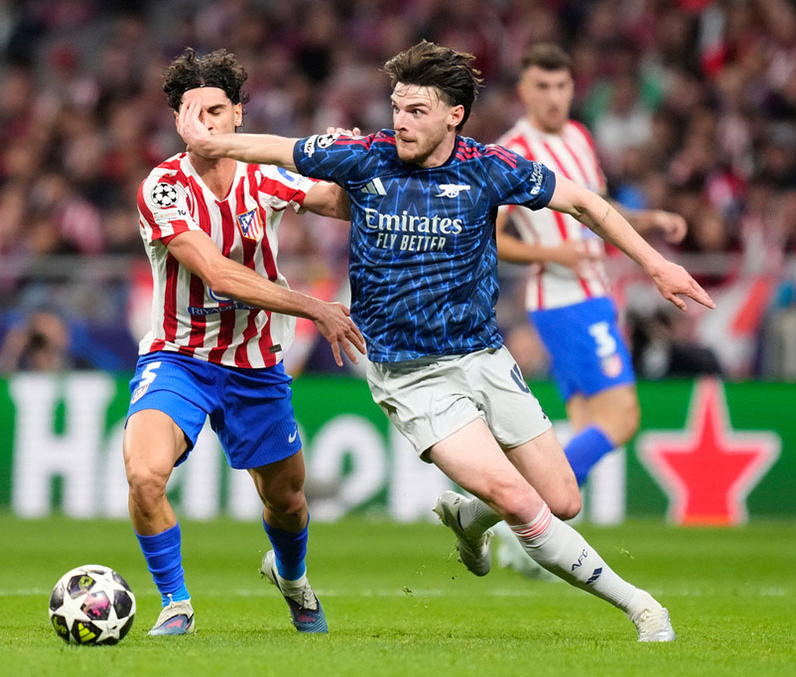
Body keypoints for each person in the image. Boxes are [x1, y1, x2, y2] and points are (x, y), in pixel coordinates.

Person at [177, 40, 714, 642]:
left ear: (454, 115)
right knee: (516, 494)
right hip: (410, 374)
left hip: (483, 356)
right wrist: (212, 142)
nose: (401, 123)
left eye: (417, 111)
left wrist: (655, 264)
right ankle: (642, 607)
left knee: (563, 498)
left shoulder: (489, 168)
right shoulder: (364, 157)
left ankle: (466, 515)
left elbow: (585, 203)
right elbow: (278, 148)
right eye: (397, 108)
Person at [124, 47, 365, 637]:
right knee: (144, 474)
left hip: (254, 364)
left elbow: (341, 202)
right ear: (177, 121)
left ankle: (293, 579)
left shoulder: (266, 175)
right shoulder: (163, 188)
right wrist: (314, 306)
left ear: (239, 115)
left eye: (216, 109)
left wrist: (351, 160)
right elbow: (219, 273)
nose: (205, 122)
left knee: (288, 502)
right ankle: (176, 602)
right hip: (178, 358)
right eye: (191, 112)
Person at [491, 44, 689, 578]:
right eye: (542, 87)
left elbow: (598, 206)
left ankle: (536, 543)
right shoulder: (512, 150)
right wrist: (551, 253)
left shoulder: (578, 136)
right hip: (565, 298)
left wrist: (647, 218)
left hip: (590, 293)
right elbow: (493, 236)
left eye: (561, 87)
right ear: (524, 91)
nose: (553, 97)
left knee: (585, 424)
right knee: (623, 418)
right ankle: (510, 516)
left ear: (572, 89)